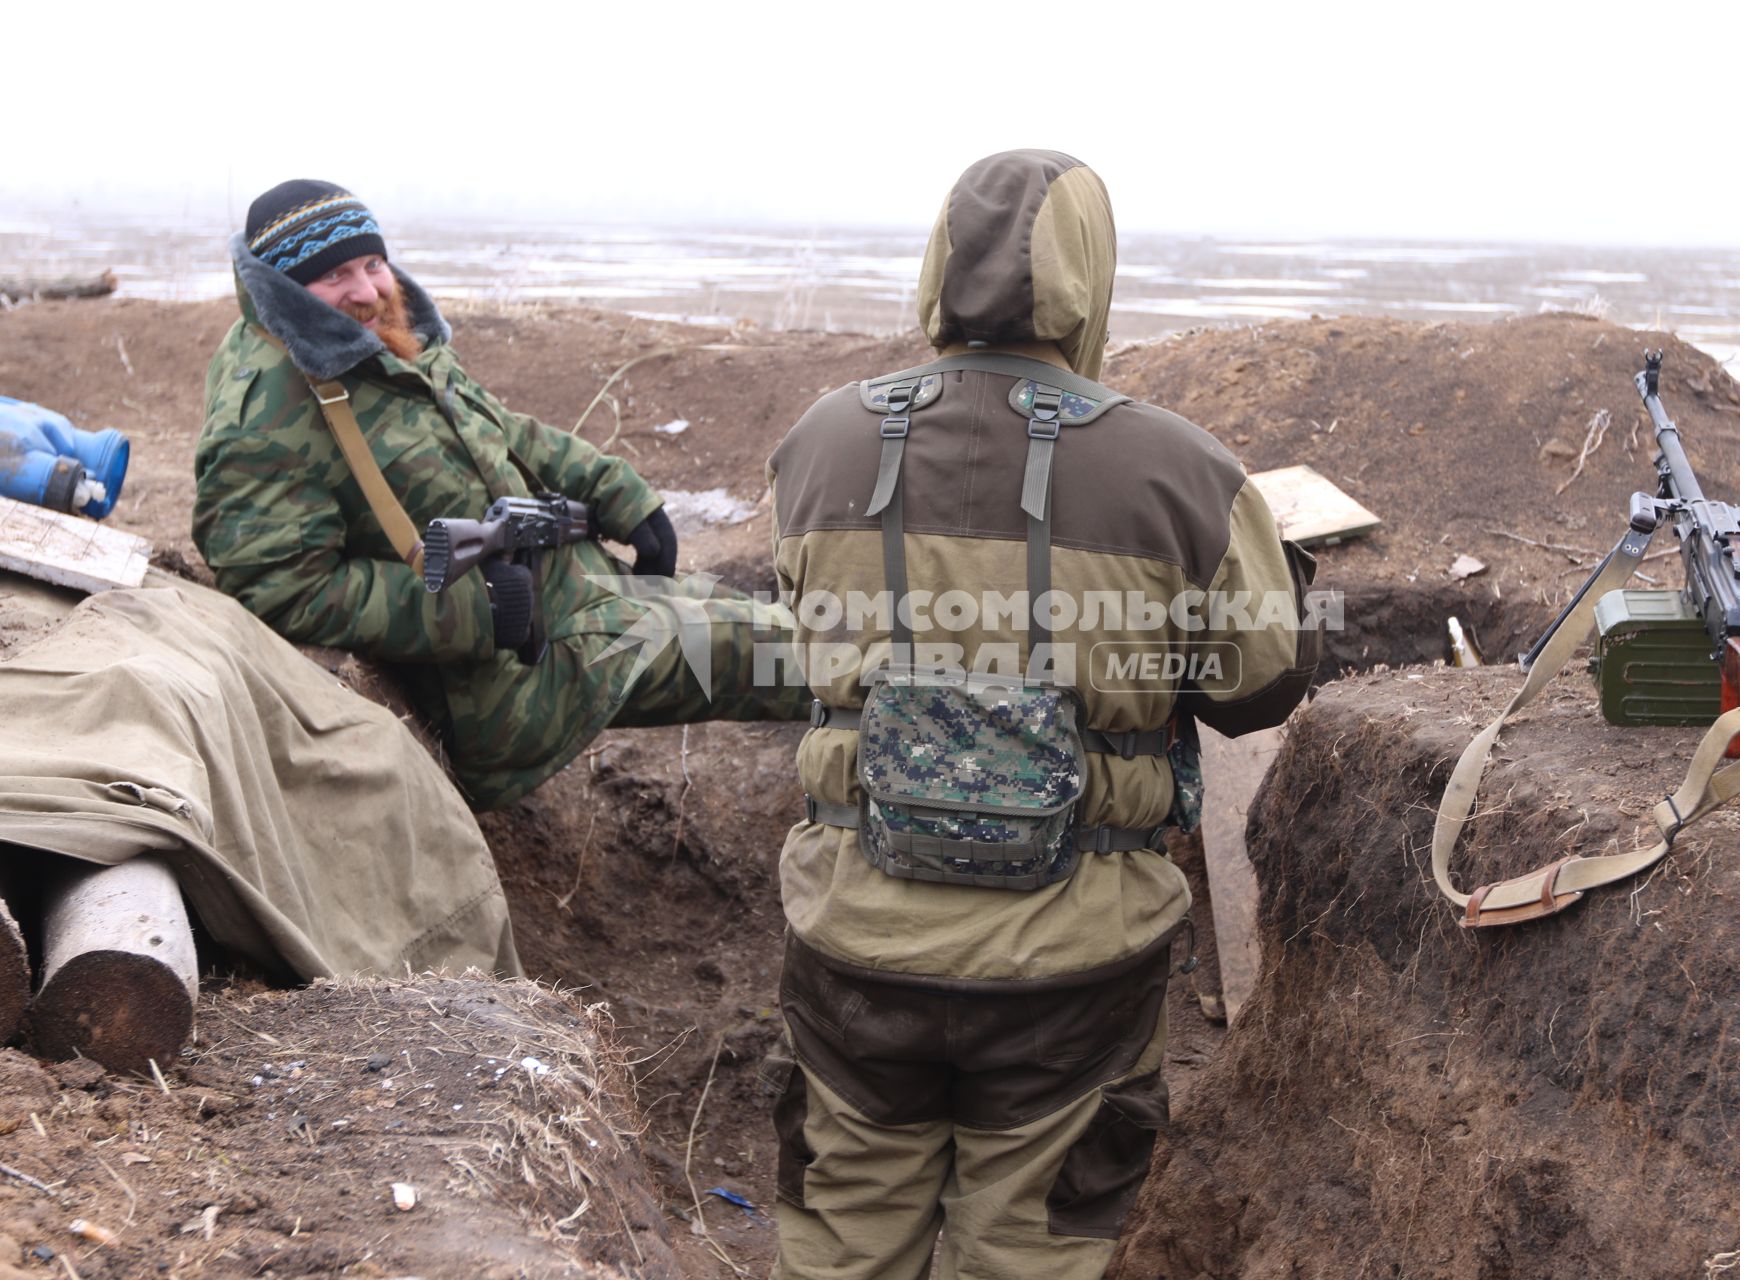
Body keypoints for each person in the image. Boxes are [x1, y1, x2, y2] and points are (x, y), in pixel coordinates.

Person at [763, 149, 1322, 1278]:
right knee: (1029, 1252)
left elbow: (807, 641)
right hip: (1074, 966)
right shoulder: (1182, 471)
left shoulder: (816, 443)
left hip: (854, 949)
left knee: (837, 1244)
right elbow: (1262, 682)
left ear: (937, 267)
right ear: (1091, 279)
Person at [193, 180, 806, 810]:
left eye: (372, 263)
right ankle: (906, 754)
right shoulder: (265, 417)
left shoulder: (372, 345)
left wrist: (618, 491)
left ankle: (900, 690)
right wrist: (478, 608)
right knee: (780, 651)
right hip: (511, 684)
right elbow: (279, 588)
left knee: (774, 623)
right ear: (287, 288)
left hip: (571, 590)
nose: (367, 290)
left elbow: (496, 429)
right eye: (334, 275)